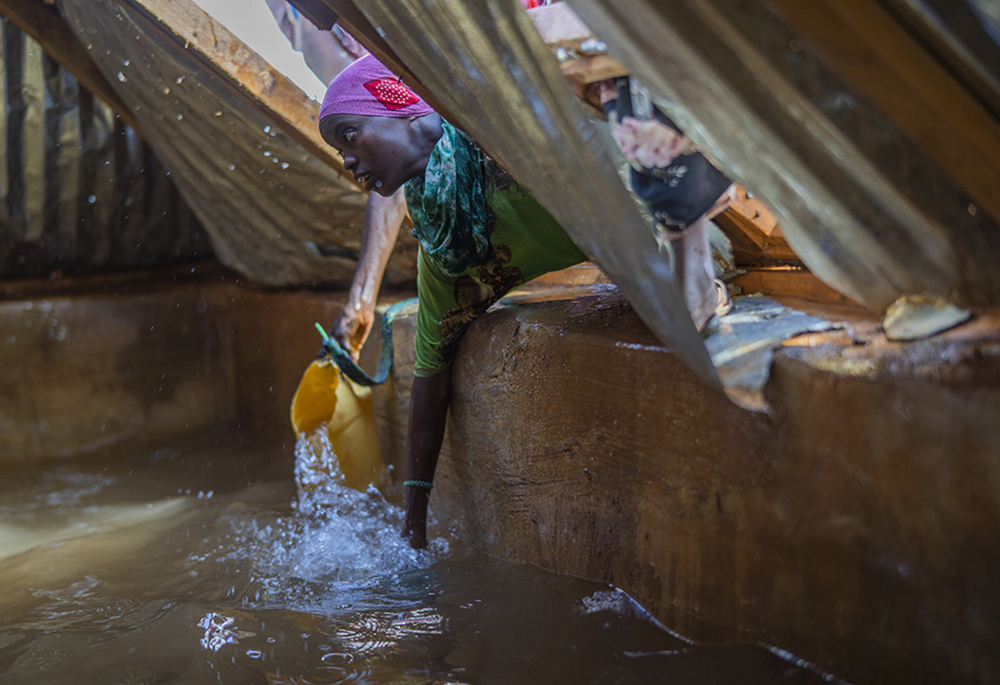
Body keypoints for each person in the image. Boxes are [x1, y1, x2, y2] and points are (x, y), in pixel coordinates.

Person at [319, 55, 729, 548]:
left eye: (348, 135)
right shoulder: (447, 252)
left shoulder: (499, 124)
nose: (345, 161)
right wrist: (414, 523)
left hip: (684, 221)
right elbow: (431, 377)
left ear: (396, 100)